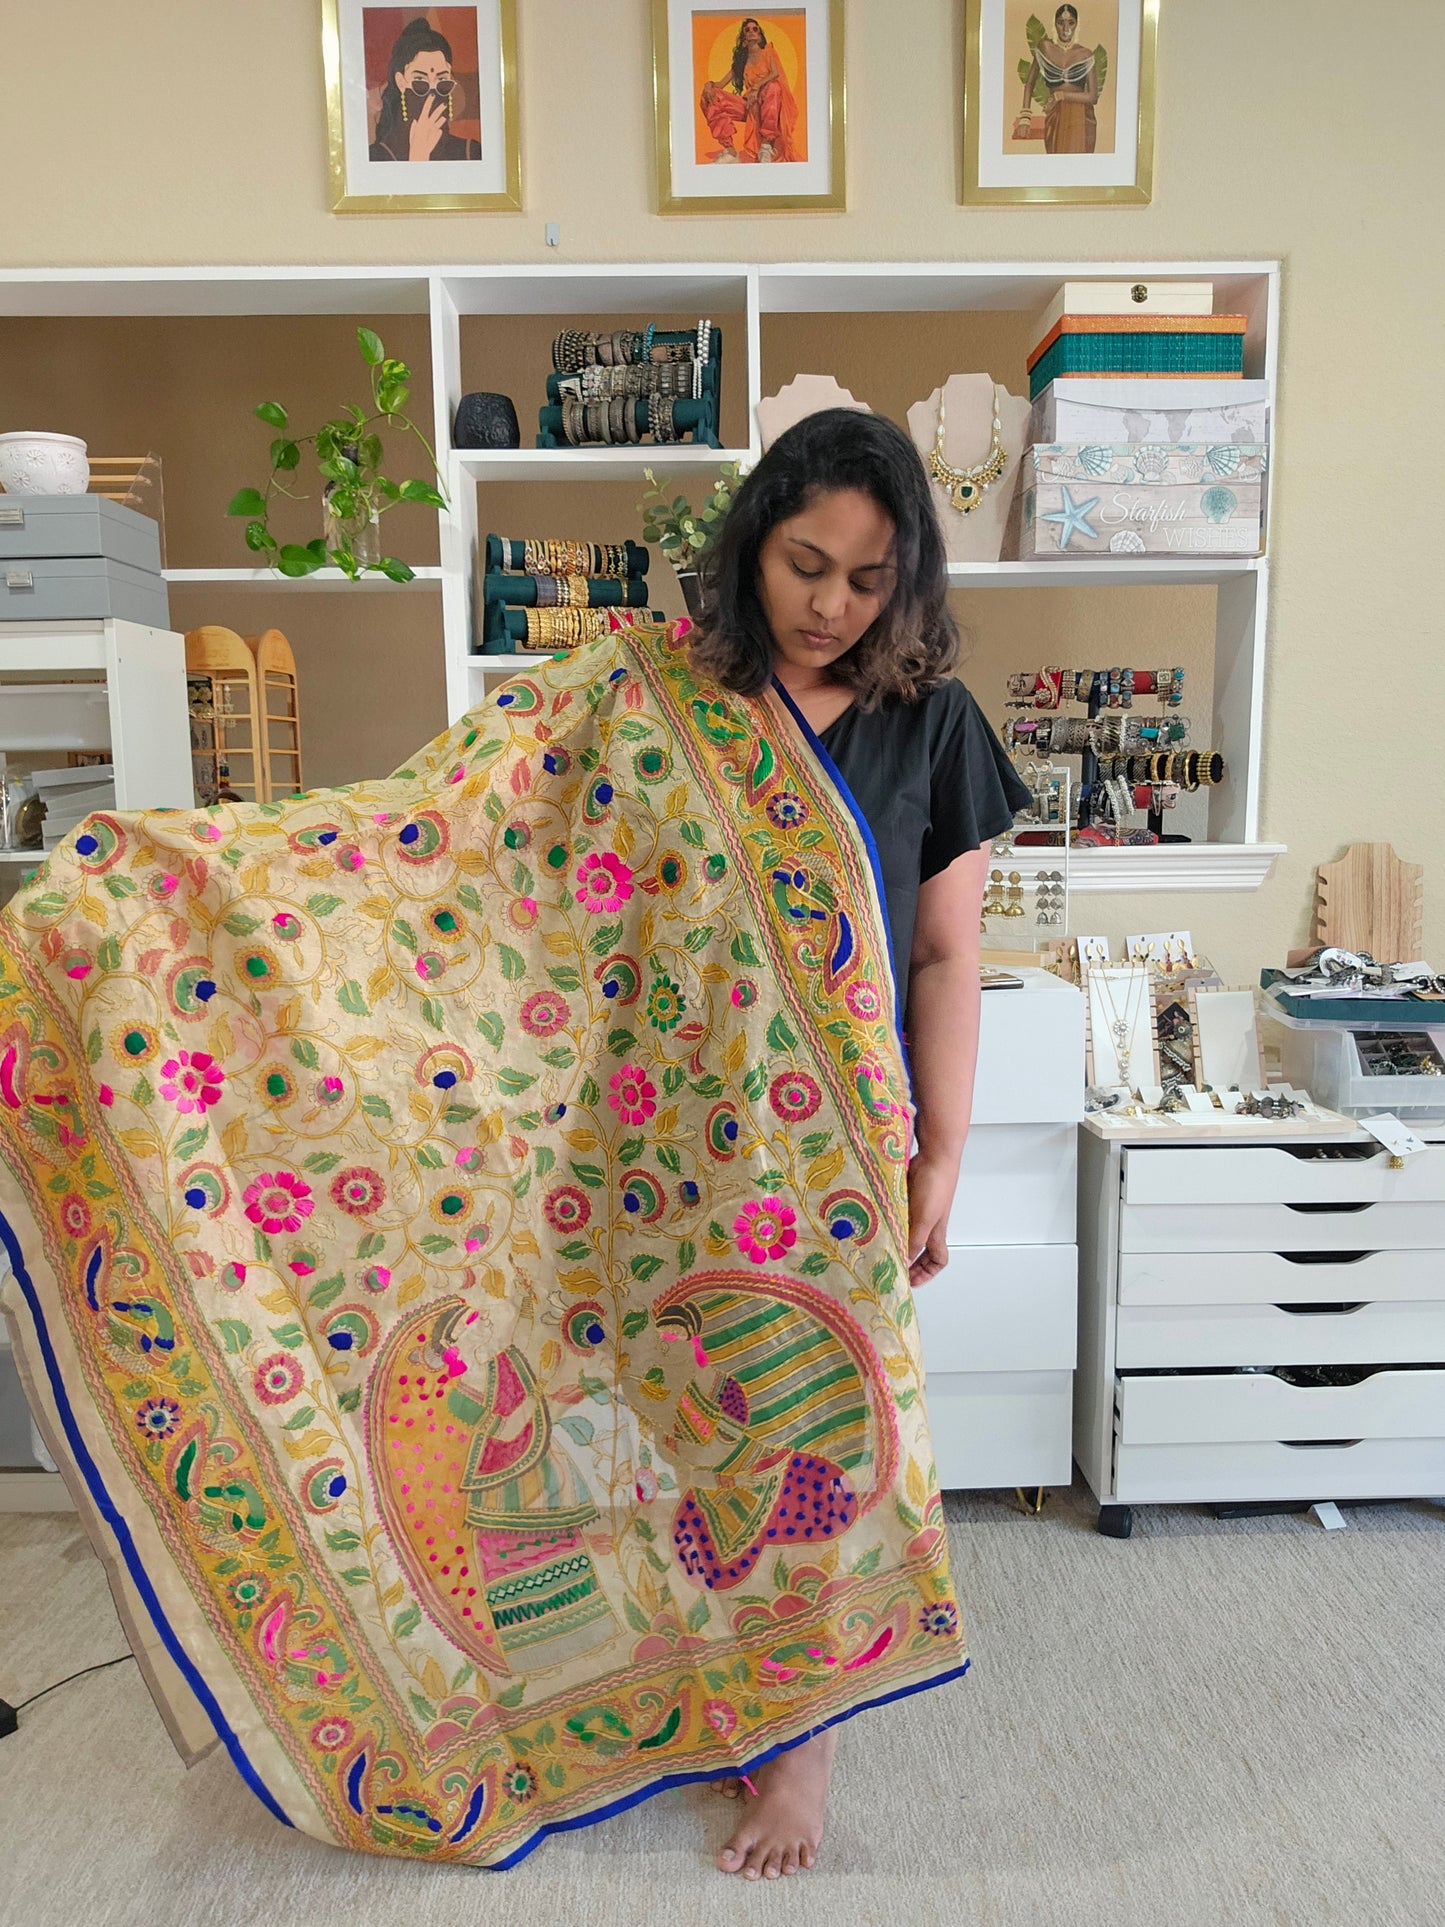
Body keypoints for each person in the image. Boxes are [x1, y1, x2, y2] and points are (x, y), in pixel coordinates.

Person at [688, 409, 1030, 1879]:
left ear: (909, 582)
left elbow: (946, 956)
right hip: (674, 1136)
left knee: (828, 1428)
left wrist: (939, 1153)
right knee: (684, 1419)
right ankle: (696, 1686)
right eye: (802, 562)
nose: (829, 603)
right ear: (751, 549)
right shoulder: (668, 707)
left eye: (868, 578)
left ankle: (806, 1742)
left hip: (843, 1144)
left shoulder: (933, 721)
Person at [369, 15, 482, 163]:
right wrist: (418, 155)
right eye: (420, 81)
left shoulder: (470, 152)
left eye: (442, 81)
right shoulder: (377, 157)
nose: (432, 95)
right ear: (401, 81)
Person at [699, 16, 801, 164]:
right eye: (747, 30)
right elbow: (720, 84)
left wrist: (756, 88)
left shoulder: (768, 51)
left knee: (774, 86)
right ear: (744, 37)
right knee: (710, 96)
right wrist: (708, 85)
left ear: (760, 35)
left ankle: (766, 147)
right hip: (750, 107)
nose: (751, 31)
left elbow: (775, 73)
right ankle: (731, 152)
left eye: (755, 29)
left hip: (769, 103)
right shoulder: (742, 60)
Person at [1016, 4, 1100, 154]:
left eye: (1071, 23)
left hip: (1082, 119)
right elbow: (1029, 84)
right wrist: (1025, 118)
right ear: (1054, 23)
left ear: (1076, 24)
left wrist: (1060, 96)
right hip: (1056, 117)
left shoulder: (1085, 54)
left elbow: (1093, 97)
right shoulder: (1045, 48)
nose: (1066, 28)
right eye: (1061, 22)